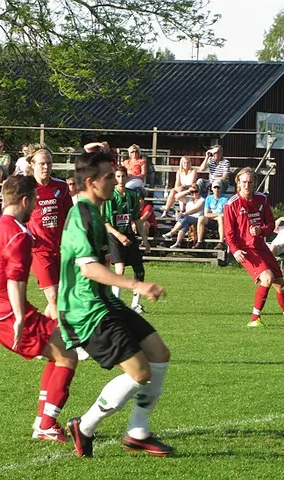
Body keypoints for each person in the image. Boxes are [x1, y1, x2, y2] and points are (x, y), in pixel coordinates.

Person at [60, 151, 173, 458]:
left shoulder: (97, 212)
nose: (115, 180)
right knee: (139, 373)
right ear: (91, 182)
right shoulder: (82, 214)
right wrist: (137, 285)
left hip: (104, 302)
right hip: (85, 310)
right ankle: (84, 426)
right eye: (109, 176)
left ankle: (138, 431)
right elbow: (88, 268)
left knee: (160, 354)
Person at [0, 175, 77, 442]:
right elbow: (14, 278)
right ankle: (47, 424)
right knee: (68, 356)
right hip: (8, 312)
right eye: (34, 201)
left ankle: (43, 421)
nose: (36, 207)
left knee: (59, 352)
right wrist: (21, 317)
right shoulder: (19, 234)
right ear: (25, 200)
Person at [223, 167, 284, 327]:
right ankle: (255, 319)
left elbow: (270, 224)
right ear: (238, 183)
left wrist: (260, 230)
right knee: (267, 278)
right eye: (244, 182)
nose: (247, 185)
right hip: (246, 250)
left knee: (281, 285)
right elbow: (228, 232)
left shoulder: (261, 199)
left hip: (261, 247)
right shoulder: (232, 204)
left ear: (255, 183)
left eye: (250, 182)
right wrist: (234, 250)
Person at [25, 146, 73, 320]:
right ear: (32, 164)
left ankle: (42, 331)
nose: (46, 167)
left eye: (49, 163)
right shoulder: (26, 188)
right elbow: (15, 217)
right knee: (53, 296)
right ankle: (64, 339)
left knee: (63, 296)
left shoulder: (61, 186)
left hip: (62, 248)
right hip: (39, 250)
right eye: (42, 164)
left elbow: (70, 215)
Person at [102, 166, 151, 313]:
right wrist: (118, 235)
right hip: (114, 234)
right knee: (120, 268)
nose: (121, 179)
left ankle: (135, 304)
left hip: (128, 234)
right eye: (118, 176)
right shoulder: (109, 197)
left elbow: (136, 219)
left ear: (127, 178)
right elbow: (105, 222)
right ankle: (115, 303)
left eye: (123, 176)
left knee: (140, 270)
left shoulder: (132, 196)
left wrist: (144, 239)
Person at [194, 178, 227, 250]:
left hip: (220, 220)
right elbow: (206, 213)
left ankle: (221, 242)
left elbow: (224, 214)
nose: (216, 189)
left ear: (221, 188)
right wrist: (217, 215)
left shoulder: (225, 199)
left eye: (218, 187)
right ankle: (199, 241)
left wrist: (215, 215)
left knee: (221, 218)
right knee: (201, 218)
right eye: (215, 187)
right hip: (212, 219)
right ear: (212, 188)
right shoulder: (209, 198)